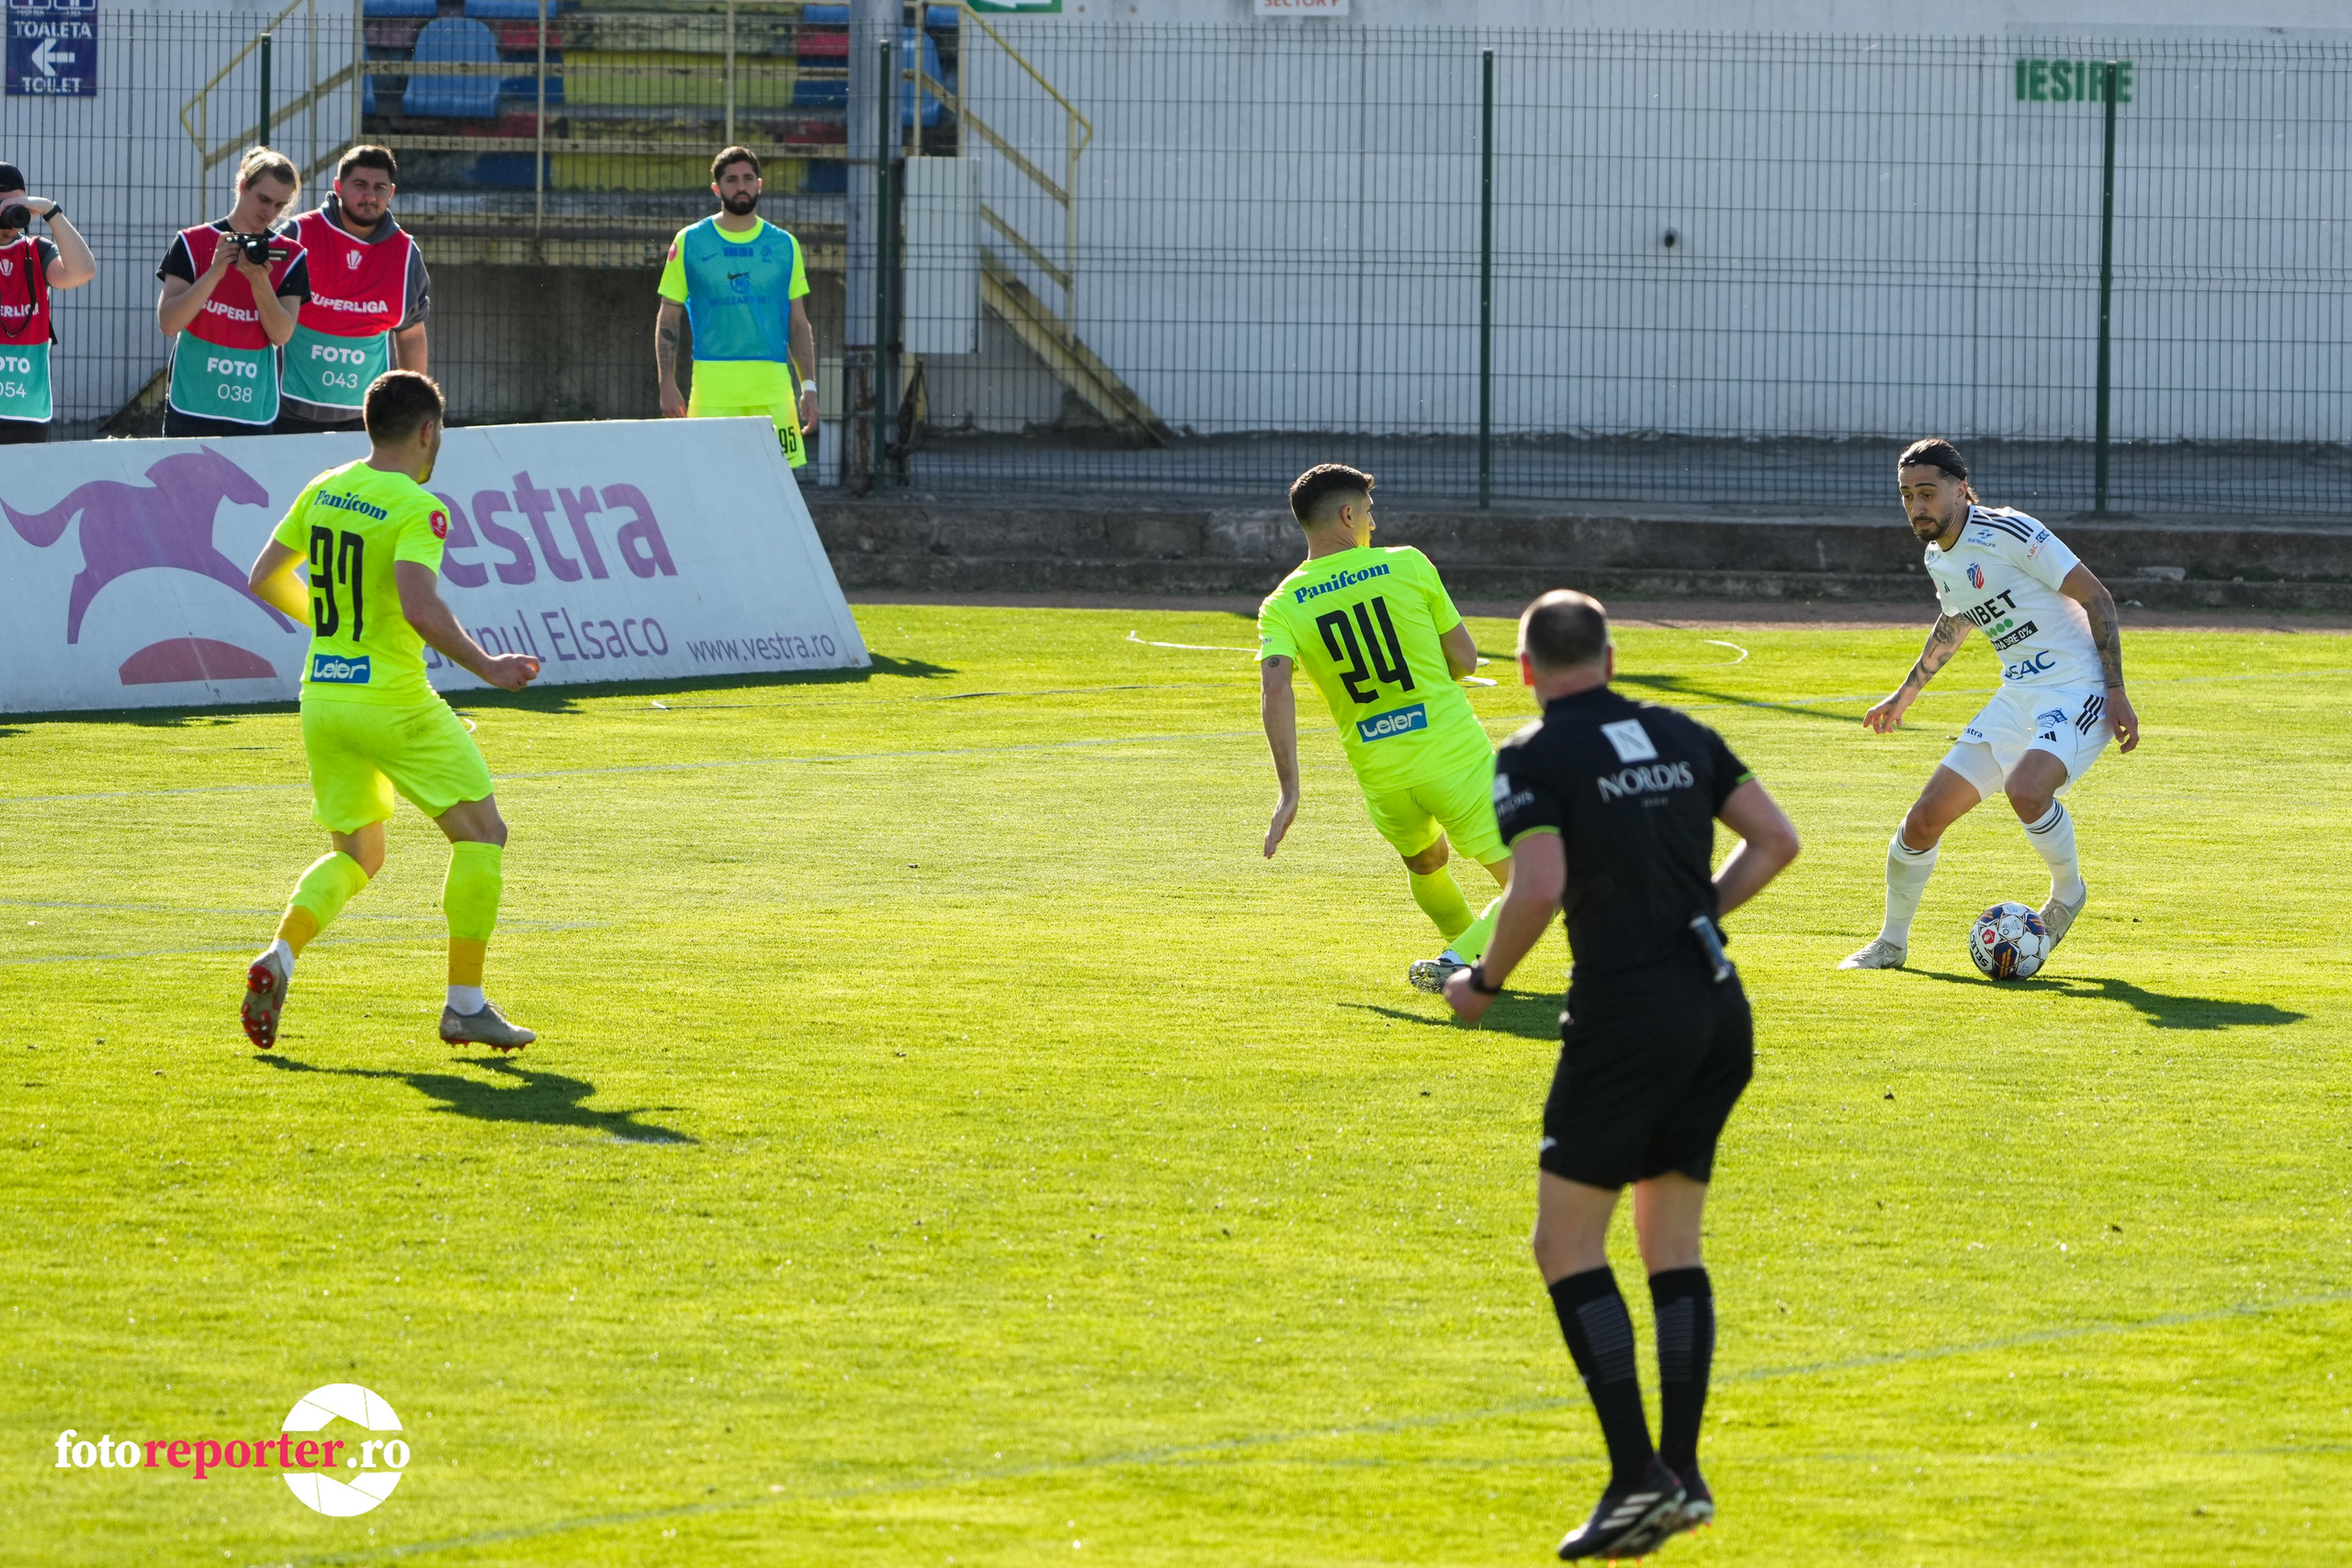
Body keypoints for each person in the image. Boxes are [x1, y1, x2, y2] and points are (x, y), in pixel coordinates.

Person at [1442, 590, 1799, 1562]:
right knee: (1668, 1244)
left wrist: (1482, 981)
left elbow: (1542, 885)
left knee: (1565, 1247)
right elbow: (1776, 839)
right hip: (1717, 1009)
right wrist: (1703, 918)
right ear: (1608, 656)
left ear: (1525, 670)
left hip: (1626, 1013)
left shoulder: (1532, 753)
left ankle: (1637, 1478)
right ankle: (1677, 1478)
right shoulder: (1682, 729)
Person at [240, 370, 542, 1054]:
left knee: (357, 852)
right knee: (481, 834)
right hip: (394, 700)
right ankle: (465, 1005)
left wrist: (337, 627)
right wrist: (488, 666)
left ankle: (280, 957)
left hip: (323, 695)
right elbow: (418, 605)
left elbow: (262, 576)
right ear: (429, 431)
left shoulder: (327, 486)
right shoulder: (417, 506)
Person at [1839, 437, 2140, 971]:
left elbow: (2097, 597)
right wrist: (1904, 694)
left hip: (2078, 688)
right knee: (1923, 820)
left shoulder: (2009, 531)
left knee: (2026, 790)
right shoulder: (1938, 557)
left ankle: (2067, 894)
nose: (1917, 507)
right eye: (1907, 496)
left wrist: (2116, 691)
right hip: (2017, 694)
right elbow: (1957, 620)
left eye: (1928, 493)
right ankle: (1890, 943)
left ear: (1960, 488)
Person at [1258, 463, 1513, 990]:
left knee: (1426, 861)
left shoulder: (1280, 604)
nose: (1373, 523)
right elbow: (1465, 659)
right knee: (1539, 880)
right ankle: (1458, 961)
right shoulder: (1407, 565)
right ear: (1349, 515)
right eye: (1370, 513)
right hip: (1452, 757)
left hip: (1381, 773)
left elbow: (1276, 690)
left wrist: (1289, 792)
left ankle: (1469, 957)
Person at [655, 145, 819, 468]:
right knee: (711, 487)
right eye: (731, 180)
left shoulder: (784, 245)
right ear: (717, 188)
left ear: (760, 183)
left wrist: (809, 388)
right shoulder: (690, 241)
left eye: (748, 178)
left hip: (773, 389)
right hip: (713, 391)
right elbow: (668, 315)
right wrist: (666, 383)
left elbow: (798, 323)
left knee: (776, 488)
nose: (740, 186)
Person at [275, 145, 431, 434]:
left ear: (391, 193)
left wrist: (412, 410)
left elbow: (410, 335)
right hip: (285, 414)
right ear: (339, 187)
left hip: (366, 422)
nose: (370, 195)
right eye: (360, 185)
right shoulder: (298, 235)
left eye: (379, 187)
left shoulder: (405, 253)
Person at [156, 147, 310, 437]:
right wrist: (215, 272)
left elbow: (281, 334)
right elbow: (169, 323)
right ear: (242, 185)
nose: (269, 212)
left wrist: (259, 281)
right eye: (263, 199)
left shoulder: (291, 256)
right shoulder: (192, 243)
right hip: (193, 404)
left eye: (280, 205)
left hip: (251, 408)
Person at [0, 162, 95, 443]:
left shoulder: (35, 252)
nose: (7, 214)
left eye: (15, 205)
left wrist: (49, 210)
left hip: (27, 411)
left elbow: (82, 271)